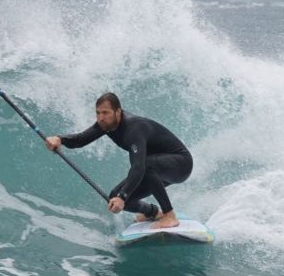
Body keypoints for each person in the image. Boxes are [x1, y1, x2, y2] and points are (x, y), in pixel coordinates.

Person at [45, 92, 193, 229]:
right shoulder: (106, 125)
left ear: (118, 112)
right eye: (98, 113)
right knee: (115, 197)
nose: (101, 118)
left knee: (137, 176)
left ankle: (169, 215)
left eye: (105, 113)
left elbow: (138, 166)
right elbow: (80, 140)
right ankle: (153, 213)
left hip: (181, 164)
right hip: (156, 170)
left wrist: (123, 196)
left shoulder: (134, 127)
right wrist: (60, 139)